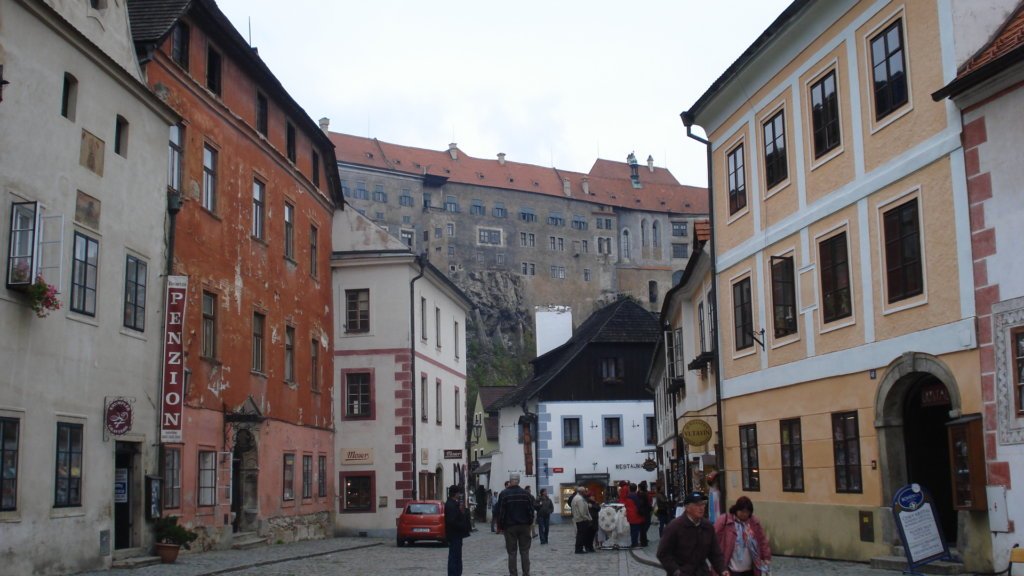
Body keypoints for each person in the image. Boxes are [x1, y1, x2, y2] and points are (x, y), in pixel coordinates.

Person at [656, 491, 730, 576]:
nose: (701, 508)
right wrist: (676, 571)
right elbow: (663, 553)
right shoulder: (674, 526)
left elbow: (715, 552)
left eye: (703, 504)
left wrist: (722, 569)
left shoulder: (707, 526)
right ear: (687, 507)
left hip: (702, 573)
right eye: (697, 505)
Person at [714, 496, 771, 576]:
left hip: (750, 569)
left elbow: (762, 540)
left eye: (747, 512)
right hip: (732, 568)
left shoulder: (754, 523)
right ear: (736, 509)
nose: (744, 514)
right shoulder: (724, 521)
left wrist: (766, 557)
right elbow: (714, 540)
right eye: (742, 511)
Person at [495, 473, 534, 576]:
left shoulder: (504, 494)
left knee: (512, 552)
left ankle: (513, 573)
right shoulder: (526, 494)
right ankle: (526, 573)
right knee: (524, 551)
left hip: (510, 526)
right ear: (519, 481)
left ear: (510, 480)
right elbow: (531, 510)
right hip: (524, 525)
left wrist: (501, 525)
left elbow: (501, 512)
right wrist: (530, 522)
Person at [444, 484, 471, 576]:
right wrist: (463, 524)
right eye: (458, 493)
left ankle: (456, 573)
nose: (459, 495)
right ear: (455, 494)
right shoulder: (451, 505)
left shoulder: (452, 503)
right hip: (454, 534)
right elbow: (453, 521)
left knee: (456, 556)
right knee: (454, 557)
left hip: (455, 535)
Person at [571, 486, 593, 553]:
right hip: (581, 519)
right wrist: (587, 518)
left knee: (580, 534)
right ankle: (579, 549)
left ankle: (578, 548)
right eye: (584, 491)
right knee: (581, 535)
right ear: (581, 492)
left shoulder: (576, 497)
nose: (585, 493)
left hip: (578, 518)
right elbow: (582, 511)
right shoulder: (579, 499)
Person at [637, 480, 653, 546]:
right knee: (645, 526)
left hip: (645, 511)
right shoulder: (643, 494)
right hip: (645, 512)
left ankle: (643, 538)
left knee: (645, 525)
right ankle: (643, 539)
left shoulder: (642, 494)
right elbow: (644, 503)